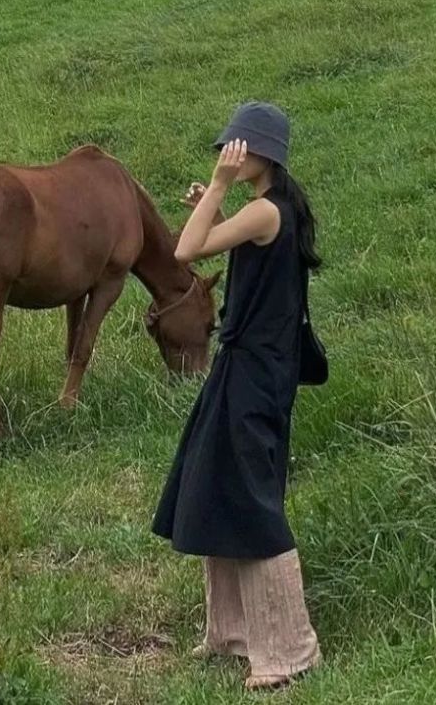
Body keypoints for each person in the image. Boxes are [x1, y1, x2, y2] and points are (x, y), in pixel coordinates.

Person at [151, 101, 322, 691]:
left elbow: (186, 251)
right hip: (256, 367)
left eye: (236, 150)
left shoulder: (264, 214)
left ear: (259, 154)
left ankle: (288, 651)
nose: (229, 155)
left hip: (254, 372)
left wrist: (218, 187)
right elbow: (211, 234)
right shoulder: (274, 209)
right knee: (217, 483)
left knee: (250, 498)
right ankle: (233, 633)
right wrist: (216, 196)